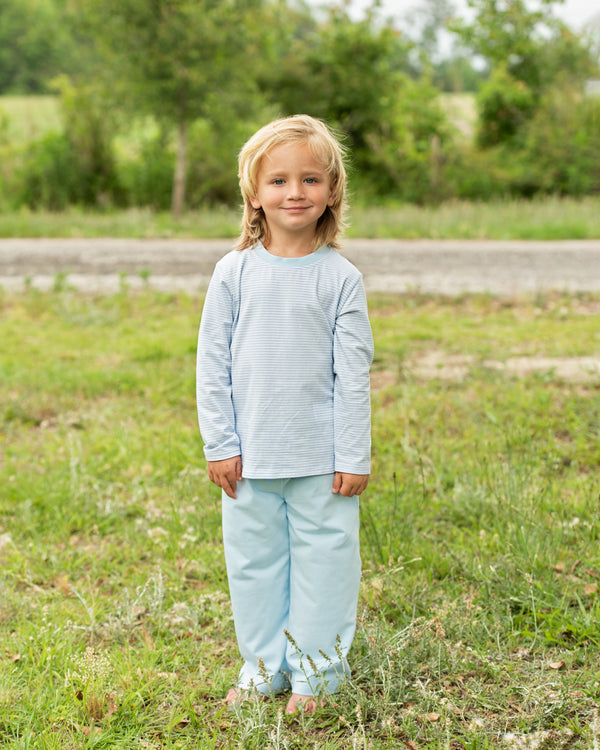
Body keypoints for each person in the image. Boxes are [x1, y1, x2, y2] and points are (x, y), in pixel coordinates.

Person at [196, 114, 373, 715]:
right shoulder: (233, 274)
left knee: (326, 566)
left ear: (331, 192)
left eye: (309, 179)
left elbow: (353, 378)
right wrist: (219, 444)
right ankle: (264, 667)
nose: (294, 192)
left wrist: (353, 456)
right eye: (278, 181)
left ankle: (318, 675)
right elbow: (210, 366)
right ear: (254, 194)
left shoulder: (341, 279)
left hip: (323, 463)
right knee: (254, 566)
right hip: (247, 459)